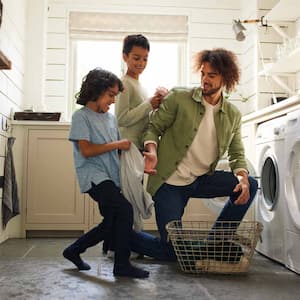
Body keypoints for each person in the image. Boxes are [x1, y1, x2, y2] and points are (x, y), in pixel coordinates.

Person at [130, 48, 258, 261]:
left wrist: (242, 179)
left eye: (212, 75)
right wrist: (151, 151)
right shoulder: (180, 97)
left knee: (250, 184)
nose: (205, 80)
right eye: (203, 74)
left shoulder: (233, 114)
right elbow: (153, 128)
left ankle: (216, 242)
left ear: (225, 78)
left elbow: (237, 153)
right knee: (172, 251)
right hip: (170, 182)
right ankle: (125, 238)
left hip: (202, 179)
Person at [62, 68, 149, 278]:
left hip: (111, 177)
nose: (112, 101)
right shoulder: (81, 116)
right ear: (96, 90)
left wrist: (139, 165)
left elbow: (119, 152)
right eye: (110, 95)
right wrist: (118, 143)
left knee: (110, 223)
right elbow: (87, 150)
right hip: (94, 177)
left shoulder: (110, 119)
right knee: (125, 211)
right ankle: (121, 265)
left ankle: (73, 251)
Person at [115, 34, 168, 150]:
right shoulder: (123, 83)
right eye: (136, 58)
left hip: (140, 145)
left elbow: (143, 115)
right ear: (125, 57)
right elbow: (121, 119)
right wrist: (149, 104)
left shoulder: (140, 85)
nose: (141, 63)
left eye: (145, 59)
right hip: (128, 147)